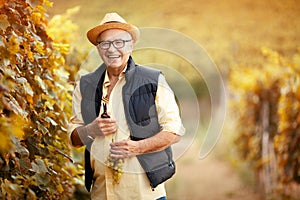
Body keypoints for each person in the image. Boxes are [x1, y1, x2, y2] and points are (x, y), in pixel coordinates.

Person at [68, 12, 185, 200]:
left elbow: (175, 131)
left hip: (145, 194)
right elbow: (74, 138)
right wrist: (90, 129)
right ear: (98, 48)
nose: (112, 49)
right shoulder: (85, 86)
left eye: (119, 42)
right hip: (101, 194)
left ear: (130, 45)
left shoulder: (153, 80)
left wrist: (137, 148)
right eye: (105, 43)